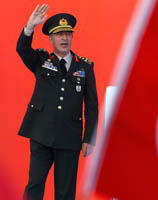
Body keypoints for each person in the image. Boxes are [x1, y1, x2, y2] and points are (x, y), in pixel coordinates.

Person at [16, 4, 98, 200]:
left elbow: (92, 105)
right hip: (40, 133)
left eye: (68, 34)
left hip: (69, 137)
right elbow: (22, 49)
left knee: (65, 192)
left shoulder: (85, 67)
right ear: (51, 38)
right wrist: (29, 27)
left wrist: (89, 138)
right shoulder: (41, 60)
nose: (64, 38)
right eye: (59, 35)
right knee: (35, 185)